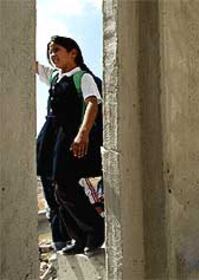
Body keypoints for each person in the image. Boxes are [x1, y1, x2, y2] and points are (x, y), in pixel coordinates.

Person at [35, 35, 104, 255]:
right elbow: (35, 66)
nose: (53, 55)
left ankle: (95, 230)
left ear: (73, 52)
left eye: (57, 50)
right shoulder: (55, 76)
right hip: (52, 137)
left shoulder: (82, 77)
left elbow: (92, 103)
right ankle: (79, 237)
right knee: (56, 188)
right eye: (50, 52)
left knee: (64, 182)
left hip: (70, 136)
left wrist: (82, 134)